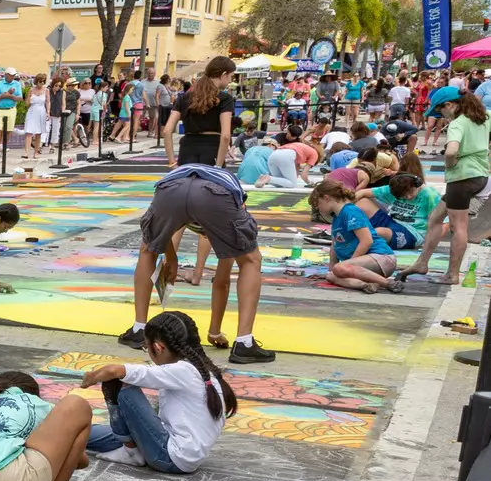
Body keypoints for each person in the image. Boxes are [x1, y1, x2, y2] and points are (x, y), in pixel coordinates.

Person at [125, 120, 272, 363]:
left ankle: (139, 329)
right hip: (214, 196)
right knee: (250, 261)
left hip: (170, 188)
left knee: (147, 249)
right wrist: (214, 332)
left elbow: (163, 236)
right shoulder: (225, 192)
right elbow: (221, 280)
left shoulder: (183, 175)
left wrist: (170, 258)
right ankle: (244, 343)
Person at [79, 311, 234, 473]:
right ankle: (129, 446)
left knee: (120, 384)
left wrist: (90, 378)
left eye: (146, 347)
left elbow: (114, 371)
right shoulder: (205, 371)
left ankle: (131, 452)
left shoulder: (183, 370)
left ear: (159, 347)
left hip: (169, 456)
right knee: (83, 434)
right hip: (168, 444)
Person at [404, 90, 490, 285]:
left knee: (458, 227)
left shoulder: (458, 123)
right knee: (435, 217)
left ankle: (452, 274)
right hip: (480, 175)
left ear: (450, 105)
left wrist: (449, 163)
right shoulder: (483, 117)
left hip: (462, 177)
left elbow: (451, 151)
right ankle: (422, 262)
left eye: (441, 109)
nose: (441, 115)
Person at [307, 178, 399, 293]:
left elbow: (367, 241)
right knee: (331, 276)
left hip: (380, 257)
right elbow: (335, 245)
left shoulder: (350, 211)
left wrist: (349, 265)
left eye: (318, 204)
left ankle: (388, 283)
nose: (318, 209)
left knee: (340, 268)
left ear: (326, 198)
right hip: (365, 265)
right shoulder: (337, 217)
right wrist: (331, 270)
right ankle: (366, 285)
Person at [163, 55, 236, 169]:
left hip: (187, 149)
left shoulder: (183, 98)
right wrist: (218, 165)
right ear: (223, 75)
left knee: (187, 186)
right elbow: (226, 135)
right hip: (212, 149)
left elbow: (167, 131)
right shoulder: (225, 99)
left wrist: (172, 162)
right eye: (230, 76)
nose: (230, 81)